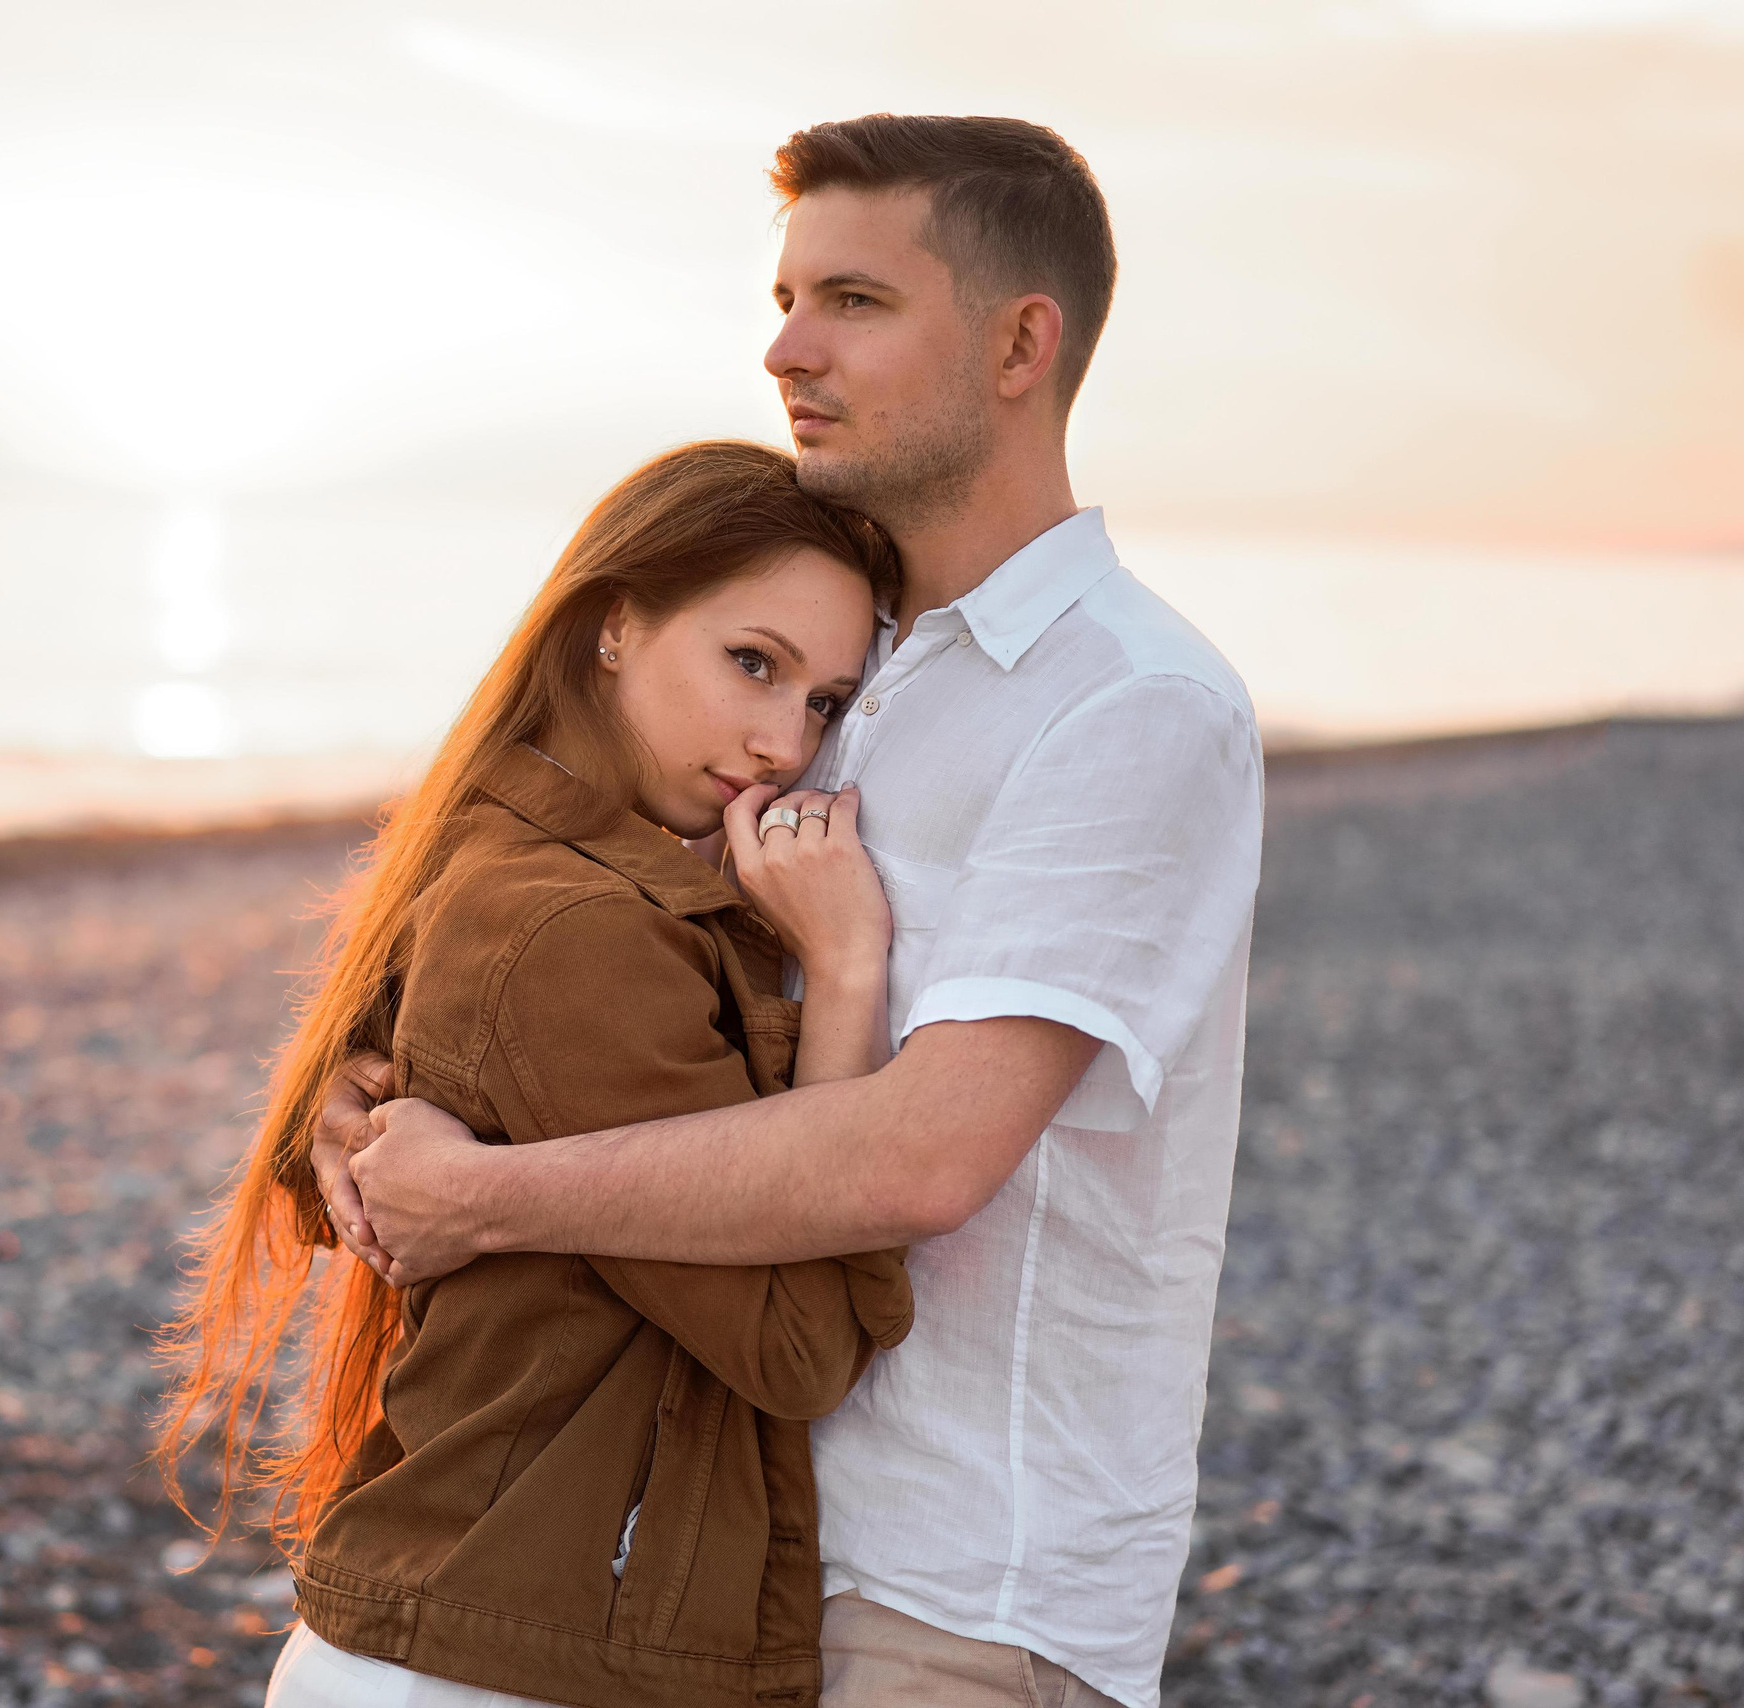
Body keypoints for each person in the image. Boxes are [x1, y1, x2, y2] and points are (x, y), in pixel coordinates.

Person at [319, 116, 1266, 1708]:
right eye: (784, 296)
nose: (784, 347)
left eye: (853, 300)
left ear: (1021, 341)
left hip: (963, 1586)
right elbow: (603, 976)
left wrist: (483, 1197)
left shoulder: (1135, 708)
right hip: (713, 1549)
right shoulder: (834, 659)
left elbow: (924, 1153)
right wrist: (373, 1103)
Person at [154, 440, 923, 1708]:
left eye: (826, 703)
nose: (784, 740)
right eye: (752, 663)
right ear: (614, 625)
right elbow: (797, 1344)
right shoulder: (583, 932)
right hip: (492, 1665)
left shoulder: (504, 853)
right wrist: (845, 971)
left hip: (466, 1644)